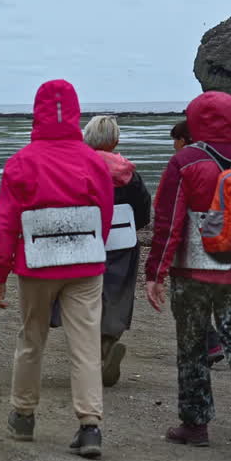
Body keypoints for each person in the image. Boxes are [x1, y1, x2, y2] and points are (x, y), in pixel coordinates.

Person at [145, 91, 231, 458]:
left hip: (194, 272)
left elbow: (167, 220)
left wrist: (155, 272)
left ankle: (195, 423)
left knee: (192, 347)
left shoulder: (185, 162)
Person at [0, 79, 114, 459]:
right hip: (85, 263)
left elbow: (7, 221)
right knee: (86, 346)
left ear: (37, 112)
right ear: (75, 112)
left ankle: (23, 414)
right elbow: (104, 215)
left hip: (38, 264)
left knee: (32, 339)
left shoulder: (22, 161)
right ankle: (90, 426)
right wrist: (93, 249)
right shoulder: (93, 160)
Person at [82, 115, 152, 387]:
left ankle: (93, 354)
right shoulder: (128, 173)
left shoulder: (78, 168)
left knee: (85, 296)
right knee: (118, 294)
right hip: (122, 244)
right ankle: (108, 342)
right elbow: (144, 214)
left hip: (85, 241)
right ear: (115, 141)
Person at [169, 120, 225, 368]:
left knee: (188, 298)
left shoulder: (184, 165)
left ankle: (209, 344)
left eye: (175, 140)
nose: (173, 145)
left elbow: (171, 212)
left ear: (183, 140)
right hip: (226, 239)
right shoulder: (224, 160)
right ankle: (212, 343)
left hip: (195, 241)